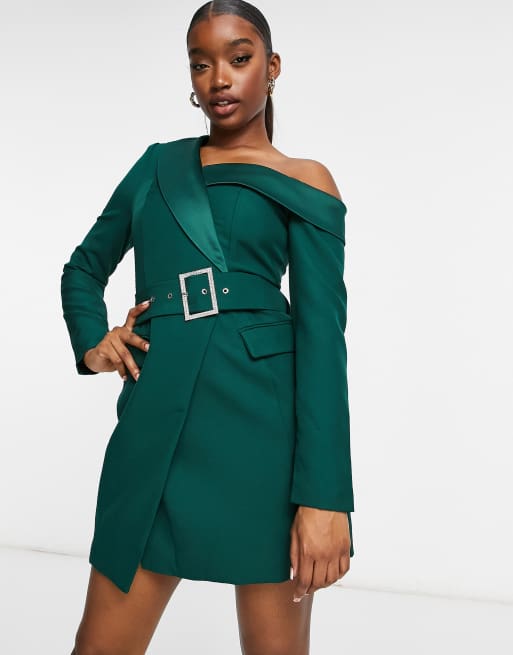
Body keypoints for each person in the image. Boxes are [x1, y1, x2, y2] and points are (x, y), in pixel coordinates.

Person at [61, 1, 355, 653]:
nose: (219, 77)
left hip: (265, 439)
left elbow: (322, 343)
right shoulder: (157, 167)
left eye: (238, 58)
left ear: (272, 67)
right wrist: (93, 344)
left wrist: (326, 497)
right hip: (155, 425)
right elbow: (83, 269)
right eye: (201, 64)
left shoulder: (306, 179)